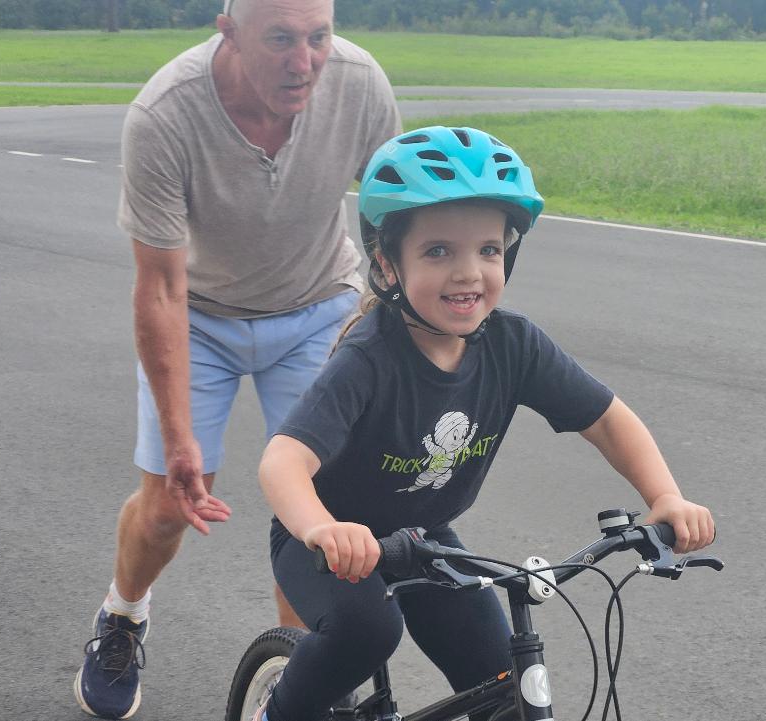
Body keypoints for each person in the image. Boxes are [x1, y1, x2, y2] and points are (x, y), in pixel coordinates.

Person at [253, 126, 717, 721]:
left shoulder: (512, 345)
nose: (469, 272)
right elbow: (284, 460)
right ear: (388, 266)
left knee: (504, 682)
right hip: (326, 543)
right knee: (368, 631)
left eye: (488, 250)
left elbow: (607, 420)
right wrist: (322, 529)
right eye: (438, 251)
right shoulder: (369, 359)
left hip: (423, 538)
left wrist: (665, 497)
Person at [73, 0, 401, 717]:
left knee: (320, 508)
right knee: (165, 506)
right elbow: (159, 287)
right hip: (203, 317)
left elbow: (392, 225)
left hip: (318, 305)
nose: (305, 61)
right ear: (228, 31)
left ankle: (308, 678)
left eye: (319, 37)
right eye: (280, 39)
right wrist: (180, 430)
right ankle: (123, 614)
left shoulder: (361, 83)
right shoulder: (166, 114)